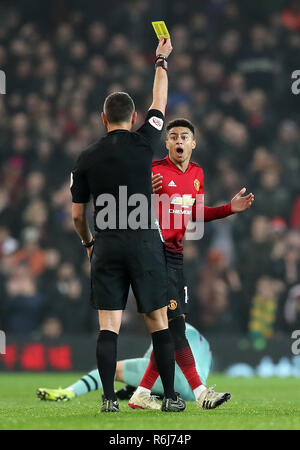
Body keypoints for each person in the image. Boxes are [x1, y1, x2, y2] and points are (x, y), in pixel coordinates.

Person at [70, 37, 185, 413]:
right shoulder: (143, 142)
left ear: (104, 119)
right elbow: (160, 101)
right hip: (144, 243)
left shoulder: (86, 158)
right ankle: (169, 398)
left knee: (109, 326)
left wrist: (89, 243)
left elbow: (76, 216)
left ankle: (107, 401)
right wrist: (161, 60)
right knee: (158, 321)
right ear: (133, 118)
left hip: (107, 245)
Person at [128, 118, 254, 410]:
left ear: (193, 143)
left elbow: (195, 212)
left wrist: (228, 209)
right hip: (153, 253)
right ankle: (200, 393)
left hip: (175, 255)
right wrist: (144, 191)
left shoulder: (197, 173)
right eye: (173, 137)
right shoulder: (154, 171)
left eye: (185, 136)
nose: (179, 141)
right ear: (167, 143)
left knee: (171, 329)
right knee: (175, 328)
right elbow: (130, 207)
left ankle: (141, 393)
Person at [37, 323, 212, 406]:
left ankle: (69, 392)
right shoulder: (198, 337)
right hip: (195, 391)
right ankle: (147, 394)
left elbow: (154, 359)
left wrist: (134, 383)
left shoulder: (164, 323)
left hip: (177, 378)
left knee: (111, 370)